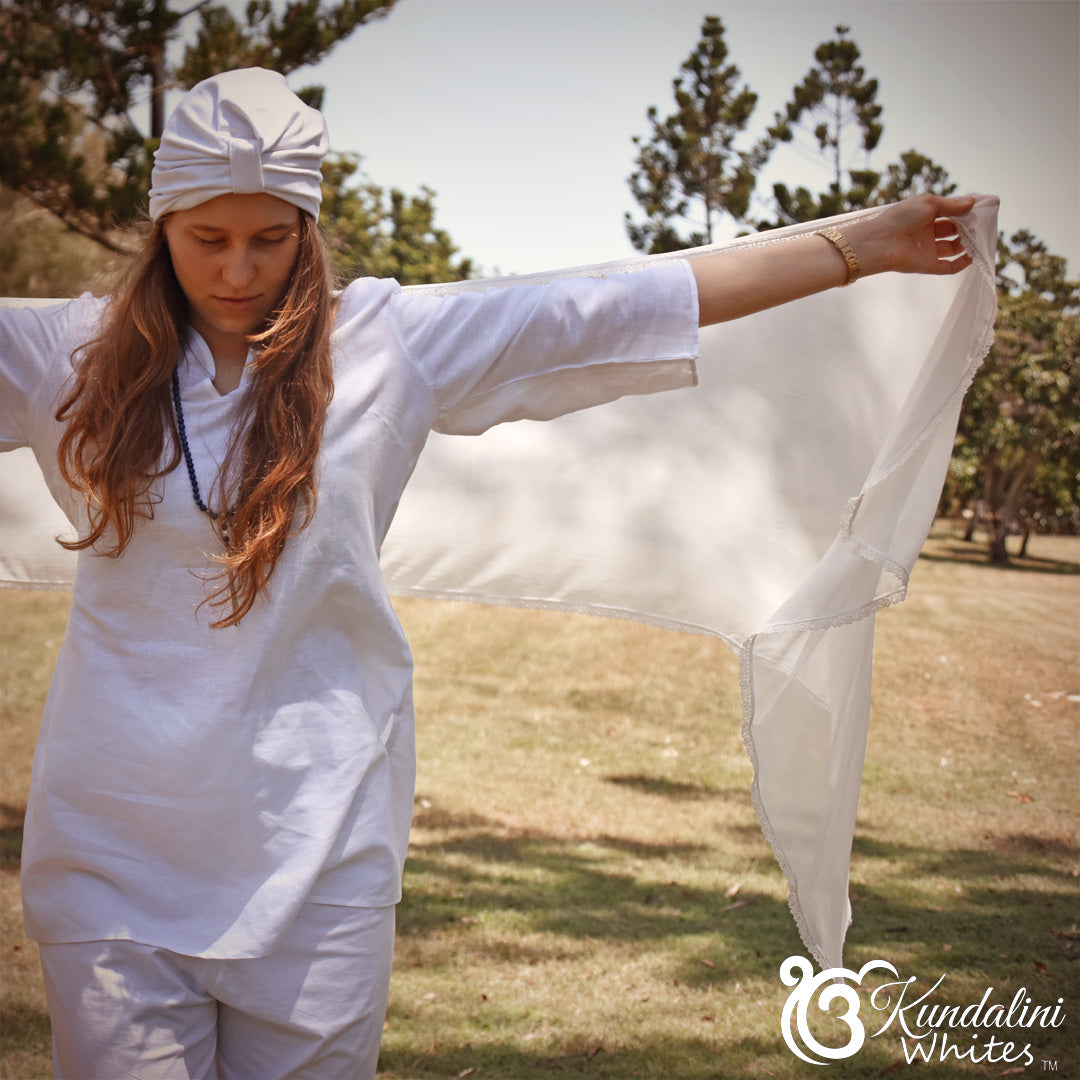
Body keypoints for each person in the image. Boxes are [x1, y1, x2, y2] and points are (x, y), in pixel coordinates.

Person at [0, 68, 977, 1080]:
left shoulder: (382, 343)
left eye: (270, 237)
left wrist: (862, 248)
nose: (238, 269)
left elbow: (603, 306)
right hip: (111, 862)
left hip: (320, 850)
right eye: (208, 238)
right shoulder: (63, 358)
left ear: (308, 228)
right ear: (163, 227)